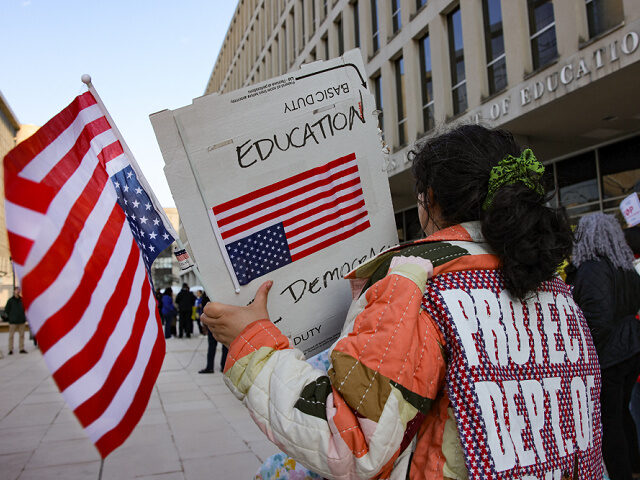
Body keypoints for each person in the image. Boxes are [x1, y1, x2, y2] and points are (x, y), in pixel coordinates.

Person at [201, 125, 603, 479]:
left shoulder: (418, 283)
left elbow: (351, 442)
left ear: (431, 201)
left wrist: (254, 346)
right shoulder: (554, 286)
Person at [569, 213, 640, 480]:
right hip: (631, 347)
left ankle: (623, 473)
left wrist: (586, 354)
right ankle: (633, 466)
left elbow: (598, 318)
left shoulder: (593, 267)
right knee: (622, 412)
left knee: (609, 420)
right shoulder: (624, 266)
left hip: (610, 354)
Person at [198, 291, 229, 374]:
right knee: (224, 346)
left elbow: (204, 308)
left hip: (213, 323)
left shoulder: (207, 294)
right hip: (222, 322)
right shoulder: (223, 293)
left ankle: (210, 367)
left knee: (213, 346)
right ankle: (224, 366)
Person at [5, 286, 27, 355]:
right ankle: (10, 349)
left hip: (21, 321)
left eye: (19, 290)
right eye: (16, 290)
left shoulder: (22, 300)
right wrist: (10, 317)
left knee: (22, 335)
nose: (18, 291)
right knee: (11, 336)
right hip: (13, 322)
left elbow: (25, 309)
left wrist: (24, 317)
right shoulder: (10, 300)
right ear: (14, 291)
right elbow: (7, 310)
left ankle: (21, 348)